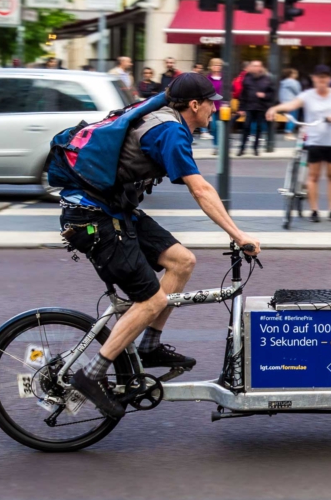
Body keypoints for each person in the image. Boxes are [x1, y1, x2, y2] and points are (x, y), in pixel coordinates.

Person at [60, 73, 261, 419]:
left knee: (182, 261)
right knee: (151, 299)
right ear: (194, 105)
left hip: (114, 210)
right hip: (93, 218)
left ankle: (149, 345)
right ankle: (91, 374)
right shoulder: (170, 131)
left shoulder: (163, 119)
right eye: (211, 102)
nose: (215, 108)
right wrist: (238, 234)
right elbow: (201, 190)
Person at [267, 65, 331, 223]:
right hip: (314, 139)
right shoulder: (307, 95)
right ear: (314, 78)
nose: (322, 80)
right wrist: (274, 108)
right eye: (319, 77)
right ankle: (314, 210)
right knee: (313, 176)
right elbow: (291, 105)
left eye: (325, 77)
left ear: (329, 79)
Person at [238, 60, 274, 156]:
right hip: (249, 106)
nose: (256, 68)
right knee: (246, 127)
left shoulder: (266, 79)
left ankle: (255, 148)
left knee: (258, 128)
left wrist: (265, 95)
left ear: (261, 67)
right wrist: (241, 108)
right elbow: (243, 94)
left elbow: (272, 93)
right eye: (254, 66)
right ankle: (242, 148)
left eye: (258, 66)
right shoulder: (247, 78)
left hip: (261, 107)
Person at [279, 68, 301, 140]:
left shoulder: (283, 82)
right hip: (292, 102)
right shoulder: (294, 82)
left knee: (289, 118)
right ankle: (289, 133)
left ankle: (287, 132)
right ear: (291, 74)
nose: (296, 75)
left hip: (284, 102)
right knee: (292, 118)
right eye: (295, 73)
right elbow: (298, 92)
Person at [207, 58, 223, 148]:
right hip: (212, 106)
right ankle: (216, 145)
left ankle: (221, 145)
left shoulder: (224, 78)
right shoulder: (208, 79)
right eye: (215, 65)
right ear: (211, 67)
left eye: (219, 65)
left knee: (221, 127)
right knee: (214, 127)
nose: (217, 67)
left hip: (222, 107)